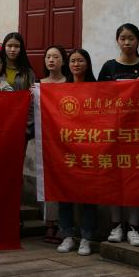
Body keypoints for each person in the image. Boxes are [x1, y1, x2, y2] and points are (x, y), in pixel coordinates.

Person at [99, 23, 139, 247]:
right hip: (113, 133)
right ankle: (115, 225)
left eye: (131, 38)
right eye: (123, 38)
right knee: (114, 179)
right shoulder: (108, 67)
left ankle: (134, 227)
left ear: (138, 41)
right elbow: (97, 98)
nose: (127, 42)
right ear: (117, 41)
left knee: (136, 180)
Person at [58, 48, 97, 256]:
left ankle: (86, 237)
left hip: (91, 149)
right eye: (72, 61)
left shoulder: (98, 89)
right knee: (64, 193)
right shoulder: (61, 89)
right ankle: (67, 235)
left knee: (89, 194)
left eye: (80, 60)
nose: (76, 64)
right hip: (66, 149)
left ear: (87, 63)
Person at [38, 45, 68, 245]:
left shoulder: (70, 83)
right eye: (48, 56)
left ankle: (66, 224)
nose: (51, 60)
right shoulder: (39, 84)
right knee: (48, 180)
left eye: (55, 57)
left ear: (63, 61)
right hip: (47, 139)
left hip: (67, 139)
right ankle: (50, 223)